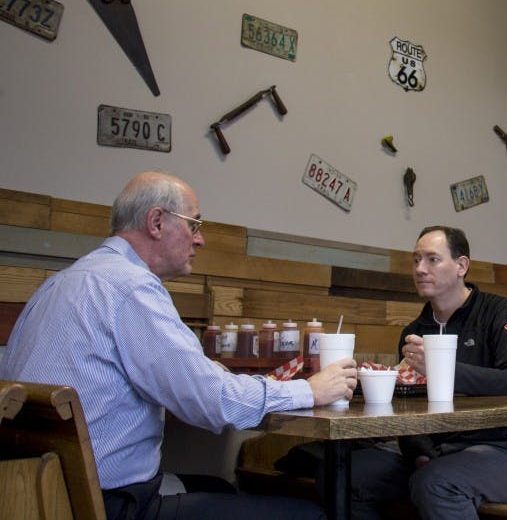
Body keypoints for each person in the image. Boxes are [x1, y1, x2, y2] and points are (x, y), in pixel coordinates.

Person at [0, 171, 358, 520]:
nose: (199, 240)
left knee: (218, 488)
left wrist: (200, 372)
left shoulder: (62, 282)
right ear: (156, 222)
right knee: (310, 513)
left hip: (43, 496)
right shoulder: (132, 288)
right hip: (111, 505)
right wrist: (309, 390)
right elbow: (213, 402)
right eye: (194, 225)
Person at [349, 225, 507, 519]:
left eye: (432, 259)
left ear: (461, 266)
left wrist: (443, 369)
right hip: (437, 450)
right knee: (348, 476)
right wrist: (420, 453)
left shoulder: (500, 313)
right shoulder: (414, 332)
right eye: (416, 260)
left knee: (436, 483)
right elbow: (406, 409)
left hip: (506, 450)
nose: (420, 269)